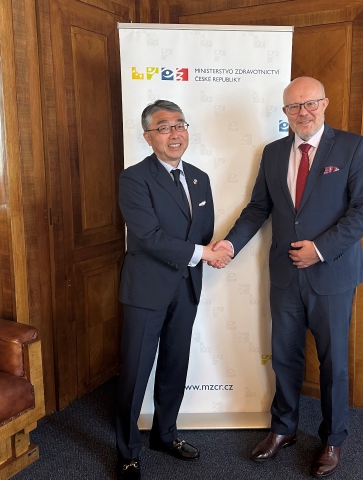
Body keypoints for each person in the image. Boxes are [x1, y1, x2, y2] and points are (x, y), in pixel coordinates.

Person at [211, 77, 363, 477]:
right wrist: (229, 244)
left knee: (333, 362)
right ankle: (284, 428)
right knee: (284, 356)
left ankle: (332, 438)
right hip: (286, 275)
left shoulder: (352, 146)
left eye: (310, 104)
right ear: (285, 111)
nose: (303, 113)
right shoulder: (272, 153)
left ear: (325, 103)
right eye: (293, 106)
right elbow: (258, 208)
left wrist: (318, 249)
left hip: (331, 273)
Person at [116, 100, 232, 480]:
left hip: (186, 287)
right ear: (148, 137)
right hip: (147, 290)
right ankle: (127, 451)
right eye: (164, 127)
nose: (175, 133)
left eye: (180, 125)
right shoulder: (134, 179)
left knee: (174, 365)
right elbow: (148, 236)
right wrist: (203, 254)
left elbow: (202, 230)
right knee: (136, 373)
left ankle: (165, 435)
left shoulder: (199, 177)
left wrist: (210, 251)